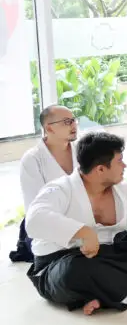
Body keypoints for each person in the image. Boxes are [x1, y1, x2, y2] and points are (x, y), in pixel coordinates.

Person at [25, 132, 127, 315]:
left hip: (105, 254)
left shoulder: (123, 191)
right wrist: (83, 232)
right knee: (77, 271)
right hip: (56, 264)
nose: (124, 165)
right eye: (119, 161)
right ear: (100, 169)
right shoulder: (60, 189)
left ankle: (102, 295)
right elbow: (34, 220)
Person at [10, 105, 78, 263]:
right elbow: (34, 206)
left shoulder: (82, 151)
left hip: (82, 219)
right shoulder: (32, 159)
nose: (74, 125)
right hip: (47, 224)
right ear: (49, 128)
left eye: (74, 120)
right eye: (67, 122)